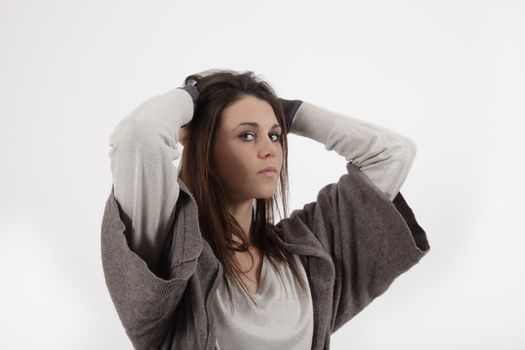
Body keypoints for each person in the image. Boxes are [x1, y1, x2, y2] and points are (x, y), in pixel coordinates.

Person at [101, 69, 430, 350]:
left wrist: (295, 114)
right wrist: (194, 96)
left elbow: (394, 154)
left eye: (275, 135)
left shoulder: (307, 253)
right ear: (205, 149)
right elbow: (137, 136)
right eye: (246, 135)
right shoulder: (170, 252)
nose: (270, 150)